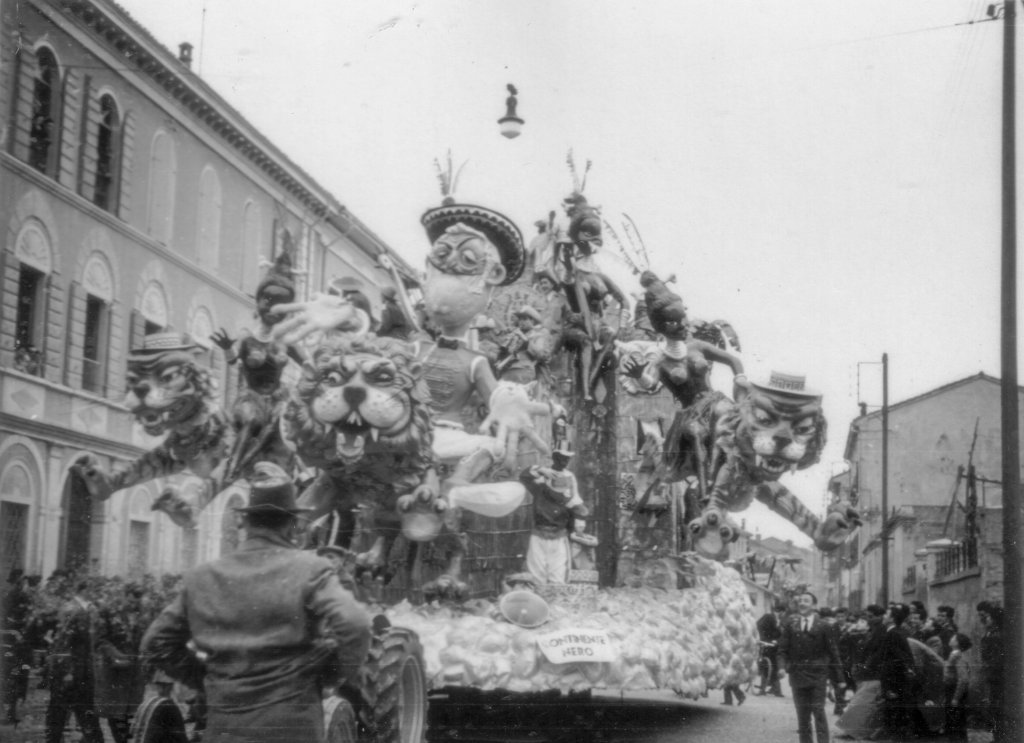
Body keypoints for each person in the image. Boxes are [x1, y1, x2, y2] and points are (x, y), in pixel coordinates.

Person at [142, 462, 372, 743]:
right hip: (292, 726)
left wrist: (207, 680)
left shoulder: (203, 576)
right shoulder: (311, 569)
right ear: (292, 524)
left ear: (245, 522)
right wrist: (330, 678)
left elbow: (156, 642)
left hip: (225, 727)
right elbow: (356, 624)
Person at [778, 590, 844, 743]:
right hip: (797, 675)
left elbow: (833, 653)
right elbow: (782, 650)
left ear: (814, 605)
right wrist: (781, 667)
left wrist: (840, 678)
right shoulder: (790, 625)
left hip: (818, 676)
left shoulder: (824, 626)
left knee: (818, 711)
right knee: (802, 714)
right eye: (800, 600)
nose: (802, 603)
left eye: (806, 601)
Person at [45, 579, 104, 743]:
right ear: (84, 591)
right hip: (69, 672)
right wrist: (68, 671)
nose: (95, 594)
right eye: (92, 590)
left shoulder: (84, 609)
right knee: (60, 711)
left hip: (81, 670)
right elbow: (64, 642)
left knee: (82, 711)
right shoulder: (72, 609)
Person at [521, 446, 590, 585]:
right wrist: (540, 469)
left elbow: (575, 502)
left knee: (558, 574)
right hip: (539, 533)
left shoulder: (569, 480)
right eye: (561, 458)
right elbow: (524, 476)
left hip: (559, 534)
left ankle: (555, 601)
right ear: (554, 457)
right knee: (537, 573)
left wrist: (580, 517)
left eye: (567, 458)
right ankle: (539, 601)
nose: (565, 461)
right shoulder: (541, 485)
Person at [878, 603, 917, 739]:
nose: (884, 616)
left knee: (895, 716)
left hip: (894, 682)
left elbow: (898, 659)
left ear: (892, 619)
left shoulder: (893, 634)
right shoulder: (896, 632)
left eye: (887, 614)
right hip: (897, 681)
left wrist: (889, 687)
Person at [976, 601, 1003, 743]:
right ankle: (996, 736)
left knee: (995, 707)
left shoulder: (996, 635)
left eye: (986, 616)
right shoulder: (989, 632)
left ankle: (998, 737)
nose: (983, 619)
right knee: (992, 706)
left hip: (993, 676)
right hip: (989, 674)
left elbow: (995, 658)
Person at [943, 632, 972, 742]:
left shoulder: (957, 657)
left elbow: (963, 679)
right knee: (955, 723)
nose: (951, 638)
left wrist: (956, 697)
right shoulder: (954, 655)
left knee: (956, 724)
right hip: (952, 691)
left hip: (955, 692)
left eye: (953, 638)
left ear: (957, 643)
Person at [755, 602, 784, 696]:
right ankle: (764, 689)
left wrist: (776, 641)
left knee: (773, 667)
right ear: (781, 612)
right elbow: (759, 626)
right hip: (767, 644)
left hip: (773, 646)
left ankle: (776, 690)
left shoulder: (778, 620)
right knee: (766, 667)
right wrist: (764, 639)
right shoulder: (769, 617)